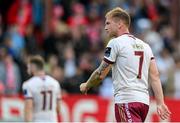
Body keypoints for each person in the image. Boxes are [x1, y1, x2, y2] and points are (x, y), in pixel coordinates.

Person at [80, 7, 171, 122]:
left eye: (108, 23)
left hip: (127, 100)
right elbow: (155, 76)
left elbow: (100, 74)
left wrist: (87, 85)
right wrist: (160, 103)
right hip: (143, 102)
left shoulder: (115, 43)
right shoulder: (145, 46)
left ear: (119, 24)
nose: (105, 27)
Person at [22, 55, 61, 122]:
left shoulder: (28, 84)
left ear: (33, 67)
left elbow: (29, 108)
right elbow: (58, 109)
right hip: (52, 120)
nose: (27, 69)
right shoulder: (55, 83)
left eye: (29, 67)